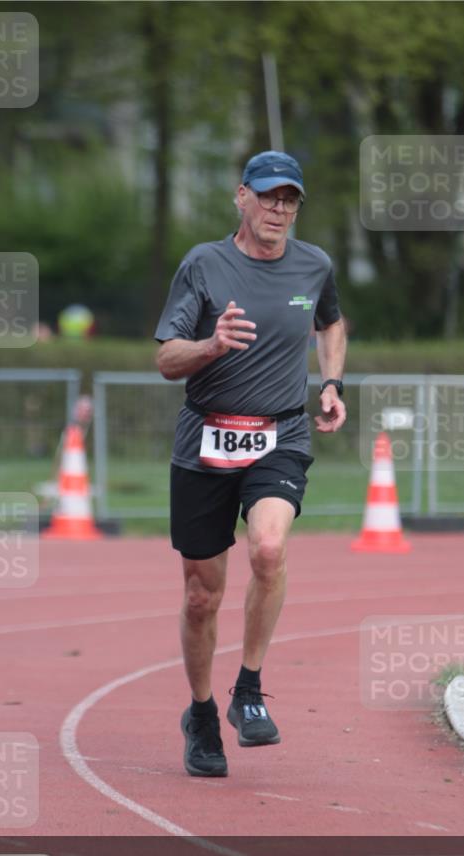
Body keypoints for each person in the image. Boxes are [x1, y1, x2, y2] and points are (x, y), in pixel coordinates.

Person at [154, 150, 347, 778]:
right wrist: (213, 343)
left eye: (290, 199)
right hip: (206, 441)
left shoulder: (314, 263)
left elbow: (333, 323)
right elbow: (166, 359)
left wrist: (333, 383)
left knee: (268, 550)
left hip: (280, 434)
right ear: (241, 197)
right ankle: (203, 714)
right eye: (268, 197)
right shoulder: (204, 265)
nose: (279, 209)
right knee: (199, 596)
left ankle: (249, 690)